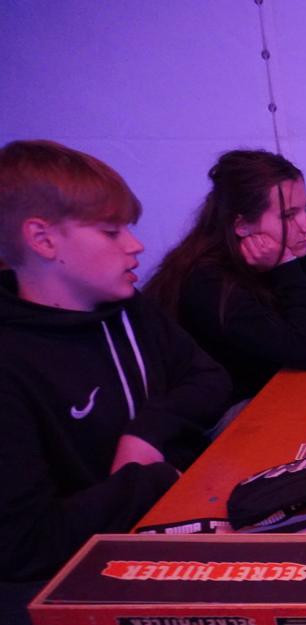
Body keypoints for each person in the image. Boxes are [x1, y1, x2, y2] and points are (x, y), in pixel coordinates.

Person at [0, 140, 231, 582]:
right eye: (112, 232)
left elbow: (209, 378)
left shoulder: (127, 307)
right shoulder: (12, 363)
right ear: (43, 239)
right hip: (91, 574)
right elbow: (26, 545)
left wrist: (146, 432)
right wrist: (150, 481)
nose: (136, 245)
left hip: (176, 507)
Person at [146, 149, 306, 407]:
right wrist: (287, 267)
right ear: (242, 225)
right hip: (225, 415)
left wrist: (298, 259)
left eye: (305, 209)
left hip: (267, 392)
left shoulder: (270, 260)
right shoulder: (209, 283)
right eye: (289, 215)